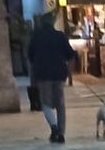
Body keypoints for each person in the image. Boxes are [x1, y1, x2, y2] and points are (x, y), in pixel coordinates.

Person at [27, 10, 75, 142]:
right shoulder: (60, 36)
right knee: (60, 104)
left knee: (46, 103)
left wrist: (33, 77)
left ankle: (54, 127)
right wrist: (68, 73)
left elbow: (30, 57)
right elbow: (71, 55)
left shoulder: (36, 36)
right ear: (53, 23)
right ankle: (61, 133)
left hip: (43, 74)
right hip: (59, 74)